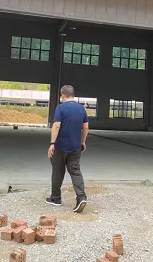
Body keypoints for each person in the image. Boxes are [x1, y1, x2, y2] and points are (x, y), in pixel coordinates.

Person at [45, 85, 89, 213]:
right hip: (75, 147)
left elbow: (56, 126)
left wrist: (52, 143)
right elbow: (86, 127)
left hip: (60, 146)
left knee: (58, 171)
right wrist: (82, 142)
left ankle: (56, 198)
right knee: (75, 172)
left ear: (63, 95)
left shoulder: (61, 108)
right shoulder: (81, 108)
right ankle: (81, 197)